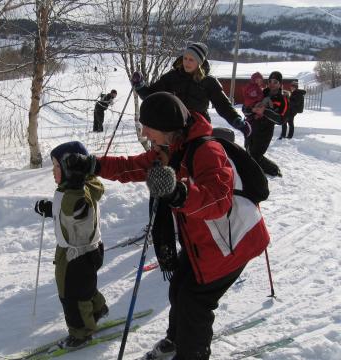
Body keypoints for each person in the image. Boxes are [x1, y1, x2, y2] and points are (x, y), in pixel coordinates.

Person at [87, 92, 270, 360]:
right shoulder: (173, 148)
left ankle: (191, 354)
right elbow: (135, 167)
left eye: (148, 126)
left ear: (166, 126)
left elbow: (218, 199)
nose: (145, 131)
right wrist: (95, 165)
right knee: (179, 289)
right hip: (205, 243)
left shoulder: (207, 151)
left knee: (194, 304)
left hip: (233, 244)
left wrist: (179, 193)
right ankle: (176, 340)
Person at [33, 141, 108, 349]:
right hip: (82, 251)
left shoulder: (79, 193)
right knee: (84, 288)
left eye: (57, 166)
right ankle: (97, 309)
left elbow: (78, 212)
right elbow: (68, 215)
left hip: (77, 255)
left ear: (69, 169)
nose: (53, 171)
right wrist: (51, 209)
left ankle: (81, 333)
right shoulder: (72, 189)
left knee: (71, 296)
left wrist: (75, 187)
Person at [130, 42, 251, 138]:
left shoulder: (209, 82)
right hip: (175, 125)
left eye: (191, 60)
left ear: (199, 62)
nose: (186, 62)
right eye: (185, 58)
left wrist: (237, 121)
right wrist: (140, 85)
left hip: (199, 126)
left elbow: (223, 106)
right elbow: (151, 96)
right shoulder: (172, 76)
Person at [245, 71, 288, 177]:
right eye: (270, 81)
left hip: (265, 131)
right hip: (252, 127)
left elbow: (281, 120)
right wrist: (250, 109)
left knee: (256, 155)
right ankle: (253, 170)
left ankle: (273, 170)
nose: (272, 83)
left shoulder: (282, 99)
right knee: (248, 151)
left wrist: (265, 111)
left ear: (280, 84)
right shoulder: (260, 92)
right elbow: (246, 106)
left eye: (275, 81)